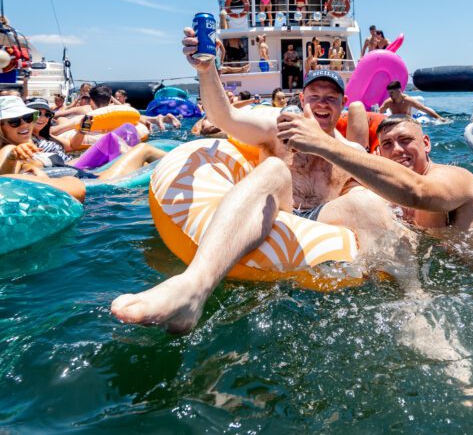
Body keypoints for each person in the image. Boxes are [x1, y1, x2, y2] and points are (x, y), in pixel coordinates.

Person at [110, 34, 412, 332]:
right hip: (277, 209)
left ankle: (414, 309)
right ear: (302, 100)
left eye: (331, 98)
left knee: (365, 200)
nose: (322, 104)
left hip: (324, 222)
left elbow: (387, 195)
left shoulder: (351, 151)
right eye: (315, 96)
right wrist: (206, 69)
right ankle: (194, 287)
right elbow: (222, 116)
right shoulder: (277, 129)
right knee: (273, 169)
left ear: (343, 104)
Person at [276, 112, 473, 276]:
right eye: (387, 145)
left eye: (406, 140)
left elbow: (417, 192)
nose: (398, 150)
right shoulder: (389, 197)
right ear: (377, 154)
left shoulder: (450, 178)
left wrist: (324, 144)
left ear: (426, 143)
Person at [0, 96, 166, 191]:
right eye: (14, 122)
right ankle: (193, 166)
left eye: (28, 117)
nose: (24, 124)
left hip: (88, 179)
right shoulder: (8, 149)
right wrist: (13, 156)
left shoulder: (29, 145)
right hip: (98, 185)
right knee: (144, 149)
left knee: (139, 155)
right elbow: (1, 180)